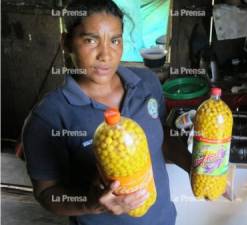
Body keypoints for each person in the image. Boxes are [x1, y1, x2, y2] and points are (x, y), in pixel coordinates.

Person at [21, 0, 191, 224]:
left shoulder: (147, 83)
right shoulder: (49, 116)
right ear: (66, 43)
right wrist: (91, 203)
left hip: (163, 219)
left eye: (114, 40)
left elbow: (161, 137)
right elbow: (45, 193)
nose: (105, 54)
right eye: (90, 40)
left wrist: (194, 166)